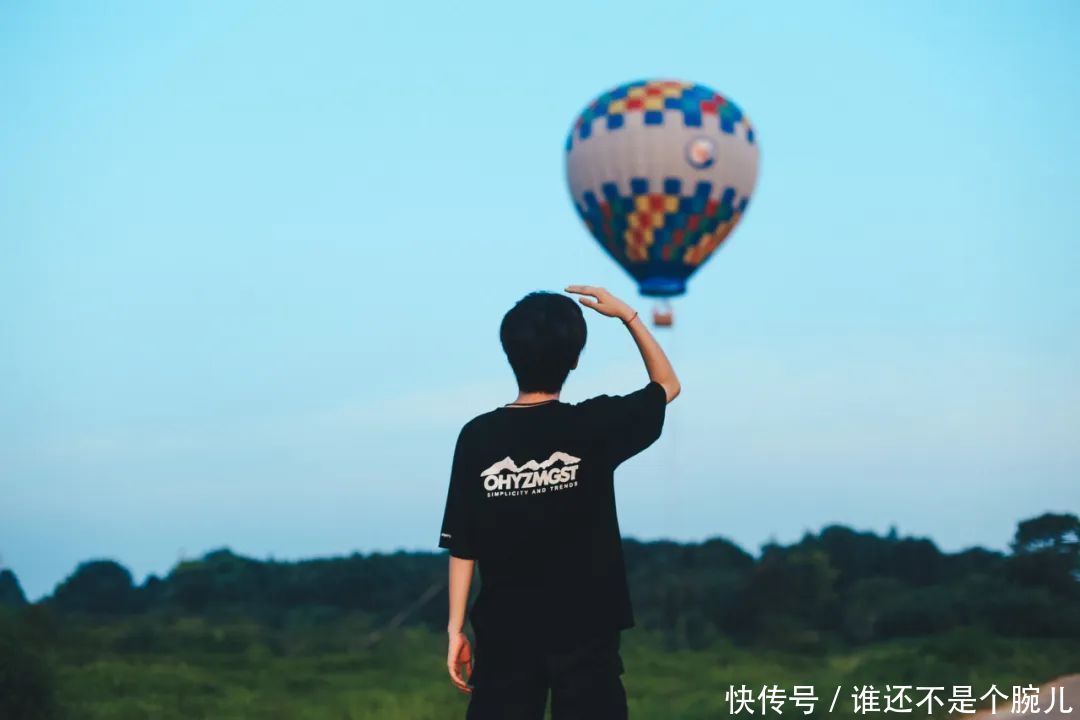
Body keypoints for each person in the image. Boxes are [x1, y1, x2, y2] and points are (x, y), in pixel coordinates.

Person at [437, 285, 680, 720]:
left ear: (509, 353)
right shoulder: (593, 424)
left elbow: (463, 543)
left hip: (505, 630)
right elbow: (667, 385)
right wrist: (628, 316)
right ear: (574, 359)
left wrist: (456, 628)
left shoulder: (477, 436)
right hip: (588, 626)